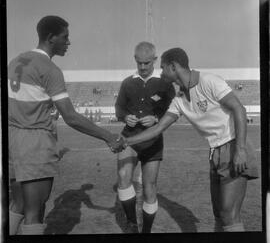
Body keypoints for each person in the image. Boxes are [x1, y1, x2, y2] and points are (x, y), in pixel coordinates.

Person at [8, 15, 124, 235]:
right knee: (34, 213)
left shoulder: (15, 61)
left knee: (17, 205)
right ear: (51, 38)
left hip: (11, 139)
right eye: (65, 37)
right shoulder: (50, 70)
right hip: (35, 142)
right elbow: (70, 117)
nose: (68, 42)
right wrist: (109, 137)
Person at [122, 47, 259, 232]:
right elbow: (158, 128)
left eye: (163, 67)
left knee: (230, 215)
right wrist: (126, 142)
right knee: (219, 215)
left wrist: (240, 150)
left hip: (234, 145)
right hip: (215, 152)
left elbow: (239, 109)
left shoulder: (209, 81)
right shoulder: (179, 99)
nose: (161, 72)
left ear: (173, 66)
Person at [115, 42, 175, 233]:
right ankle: (132, 223)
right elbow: (119, 108)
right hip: (129, 137)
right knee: (123, 177)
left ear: (155, 60)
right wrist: (125, 117)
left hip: (152, 141)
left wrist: (156, 118)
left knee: (149, 186)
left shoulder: (164, 84)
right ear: (135, 60)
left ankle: (146, 231)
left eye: (147, 63)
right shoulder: (127, 83)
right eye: (139, 62)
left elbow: (173, 109)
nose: (142, 67)